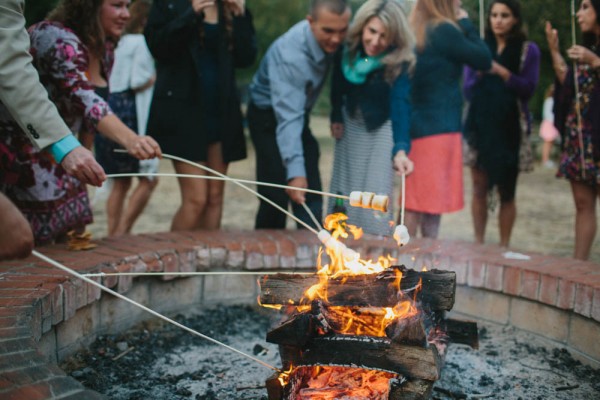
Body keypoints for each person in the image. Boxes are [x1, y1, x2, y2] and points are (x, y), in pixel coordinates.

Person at [0, 0, 162, 246]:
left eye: (128, 6)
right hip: (28, 153)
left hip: (64, 155)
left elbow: (86, 119)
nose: (126, 15)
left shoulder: (105, 47)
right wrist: (132, 140)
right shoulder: (58, 39)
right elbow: (83, 97)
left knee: (72, 237)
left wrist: (85, 162)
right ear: (90, 6)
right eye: (117, 6)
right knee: (26, 244)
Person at [145, 0, 256, 231]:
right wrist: (192, 14)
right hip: (184, 115)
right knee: (196, 200)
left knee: (215, 197)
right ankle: (173, 265)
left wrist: (241, 15)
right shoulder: (169, 6)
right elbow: (159, 47)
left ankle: (204, 264)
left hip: (221, 113)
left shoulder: (230, 8)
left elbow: (246, 58)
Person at [248, 0, 352, 229]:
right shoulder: (291, 55)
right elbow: (288, 119)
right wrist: (295, 173)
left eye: (342, 30)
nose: (336, 38)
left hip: (297, 111)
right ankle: (267, 250)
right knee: (276, 190)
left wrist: (336, 112)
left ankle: (312, 248)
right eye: (328, 31)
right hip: (267, 115)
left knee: (310, 179)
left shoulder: (337, 38)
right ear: (310, 22)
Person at [400, 0, 492, 239]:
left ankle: (407, 264)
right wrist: (465, 23)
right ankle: (421, 265)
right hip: (440, 127)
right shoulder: (444, 29)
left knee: (414, 200)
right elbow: (484, 59)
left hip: (416, 126)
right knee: (429, 207)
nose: (460, 2)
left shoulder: (416, 28)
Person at [328, 0, 414, 235]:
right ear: (362, 27)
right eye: (372, 31)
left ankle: (374, 250)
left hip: (382, 127)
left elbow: (401, 104)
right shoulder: (347, 50)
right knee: (344, 190)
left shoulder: (398, 60)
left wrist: (401, 149)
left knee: (375, 194)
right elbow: (337, 84)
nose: (375, 42)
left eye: (384, 36)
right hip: (350, 124)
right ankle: (341, 251)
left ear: (394, 37)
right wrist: (335, 114)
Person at [463, 0, 540, 247]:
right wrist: (480, 71)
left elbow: (528, 89)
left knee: (508, 190)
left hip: (510, 128)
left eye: (504, 15)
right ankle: (478, 242)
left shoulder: (529, 50)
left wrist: (503, 73)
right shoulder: (477, 48)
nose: (498, 20)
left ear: (515, 18)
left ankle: (504, 246)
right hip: (479, 124)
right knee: (479, 188)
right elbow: (467, 89)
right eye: (494, 14)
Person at [95, 0, 159, 236]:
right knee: (148, 179)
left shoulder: (112, 42)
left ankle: (114, 233)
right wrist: (154, 79)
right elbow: (138, 80)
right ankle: (121, 232)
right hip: (129, 113)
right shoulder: (140, 42)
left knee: (119, 182)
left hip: (107, 109)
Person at [546, 0, 600, 260]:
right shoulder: (588, 47)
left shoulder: (592, 54)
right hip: (581, 137)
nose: (579, 14)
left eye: (586, 7)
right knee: (582, 204)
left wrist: (595, 61)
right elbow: (570, 84)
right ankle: (579, 265)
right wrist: (554, 51)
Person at [539, 84, 560, 168]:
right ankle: (545, 160)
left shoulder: (552, 100)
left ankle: (546, 159)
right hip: (549, 124)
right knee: (547, 143)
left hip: (551, 124)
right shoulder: (550, 100)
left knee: (550, 143)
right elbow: (548, 114)